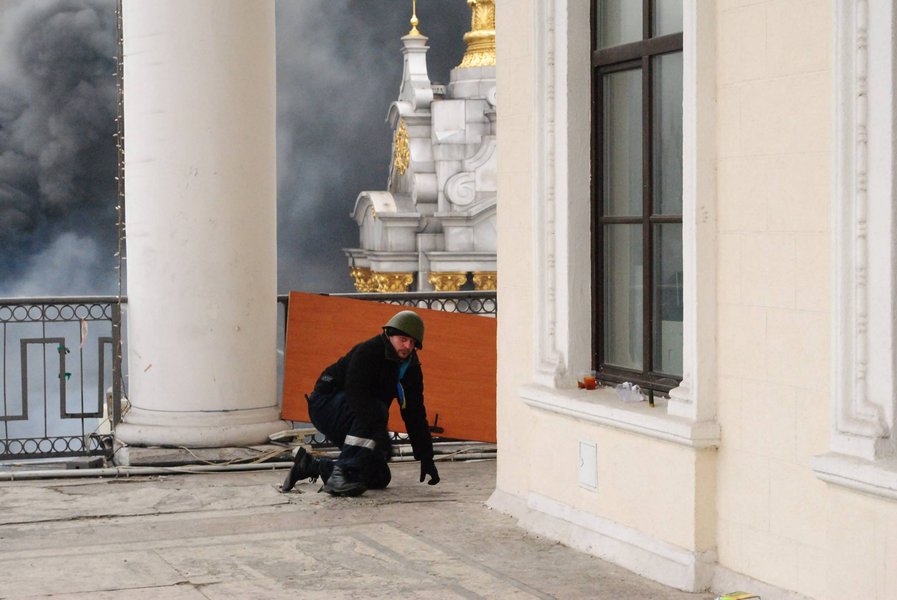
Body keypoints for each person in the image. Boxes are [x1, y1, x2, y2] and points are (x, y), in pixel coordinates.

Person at [280, 309, 440, 496]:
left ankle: (311, 466)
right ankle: (339, 475)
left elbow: (415, 413)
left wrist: (426, 457)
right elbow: (357, 394)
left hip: (359, 415)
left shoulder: (410, 368)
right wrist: (380, 432)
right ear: (389, 334)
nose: (407, 346)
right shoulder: (369, 351)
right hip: (326, 405)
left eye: (412, 342)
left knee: (379, 476)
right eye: (403, 339)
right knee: (375, 410)